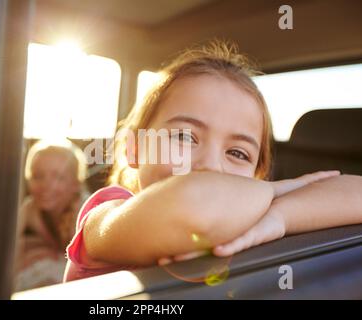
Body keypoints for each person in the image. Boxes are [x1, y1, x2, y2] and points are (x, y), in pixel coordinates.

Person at [64, 40, 362, 282]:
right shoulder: (107, 216)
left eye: (237, 153)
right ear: (136, 149)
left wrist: (280, 217)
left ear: (255, 176)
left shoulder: (251, 217)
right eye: (183, 136)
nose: (209, 164)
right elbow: (194, 204)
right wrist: (276, 190)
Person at [14, 140, 88, 291]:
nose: (46, 185)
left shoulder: (84, 212)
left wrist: (48, 256)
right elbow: (11, 250)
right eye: (38, 176)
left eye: (58, 177)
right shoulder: (29, 208)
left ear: (76, 184)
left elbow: (84, 266)